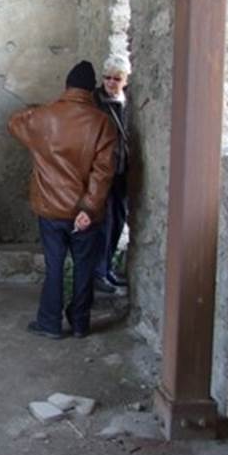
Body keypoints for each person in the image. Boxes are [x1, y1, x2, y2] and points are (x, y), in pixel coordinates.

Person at [7, 61, 117, 339]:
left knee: (54, 266)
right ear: (91, 90)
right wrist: (89, 208)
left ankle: (49, 323)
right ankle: (80, 323)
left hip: (50, 209)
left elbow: (14, 122)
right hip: (84, 213)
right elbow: (103, 172)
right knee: (84, 268)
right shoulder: (102, 123)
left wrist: (50, 107)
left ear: (67, 87)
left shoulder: (43, 118)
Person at [92, 54, 131, 294]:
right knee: (105, 223)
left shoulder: (127, 101)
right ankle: (100, 271)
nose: (110, 83)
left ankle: (107, 269)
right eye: (106, 78)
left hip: (122, 170)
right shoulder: (97, 101)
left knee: (118, 219)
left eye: (116, 79)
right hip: (104, 169)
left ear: (125, 80)